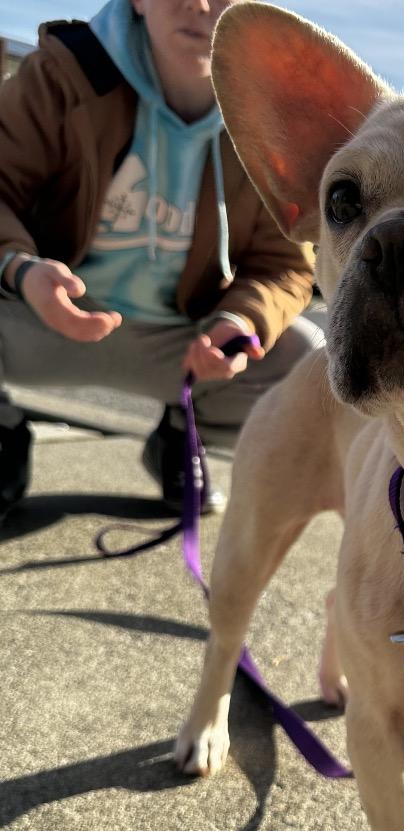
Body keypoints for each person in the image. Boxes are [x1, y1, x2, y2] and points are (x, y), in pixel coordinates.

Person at [0, 0, 318, 522]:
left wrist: (236, 322)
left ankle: (179, 435)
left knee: (308, 363)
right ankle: (3, 433)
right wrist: (21, 269)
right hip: (35, 318)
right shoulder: (66, 72)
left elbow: (285, 265)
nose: (199, 5)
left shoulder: (271, 122)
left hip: (182, 347)